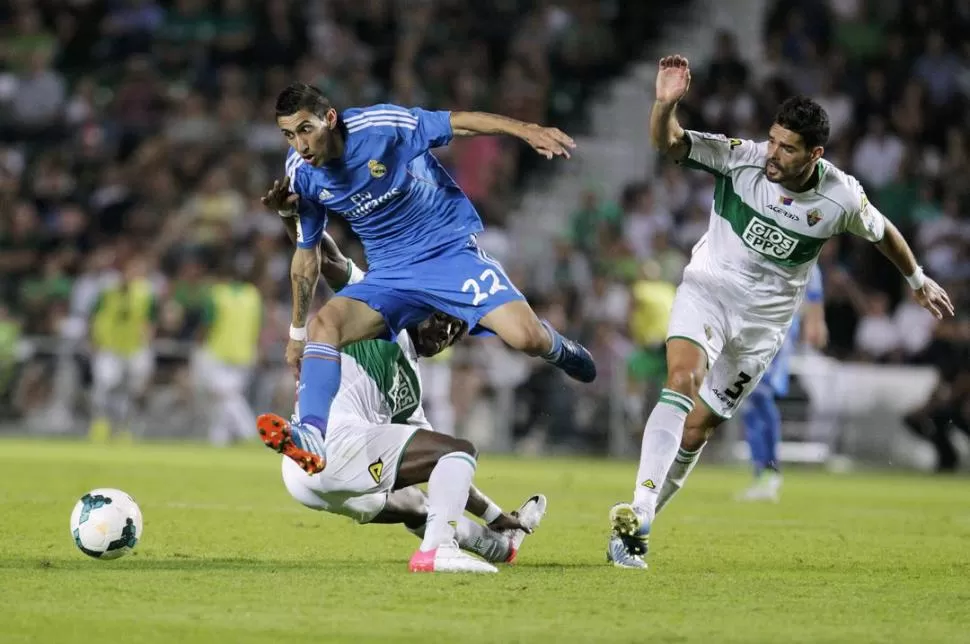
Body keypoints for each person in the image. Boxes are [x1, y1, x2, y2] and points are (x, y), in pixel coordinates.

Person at [607, 55, 954, 570]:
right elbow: (669, 142)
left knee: (699, 428)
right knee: (680, 380)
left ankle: (642, 520)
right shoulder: (740, 158)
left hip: (763, 325)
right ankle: (638, 513)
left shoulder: (841, 197)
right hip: (708, 291)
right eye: (772, 139)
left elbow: (885, 235)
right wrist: (664, 106)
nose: (773, 153)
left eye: (787, 148)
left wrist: (917, 280)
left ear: (814, 154)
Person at [259, 83, 596, 473]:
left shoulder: (381, 127)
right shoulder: (301, 174)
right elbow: (307, 257)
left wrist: (527, 131)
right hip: (389, 273)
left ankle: (559, 347)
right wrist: (297, 335)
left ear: (330, 119)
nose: (299, 145)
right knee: (325, 324)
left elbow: (458, 124)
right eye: (288, 135)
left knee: (526, 338)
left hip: (447, 254)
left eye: (305, 129)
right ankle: (312, 435)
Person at [259, 237, 547, 574]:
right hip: (340, 447)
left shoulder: (410, 383)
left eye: (455, 331)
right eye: (441, 320)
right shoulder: (378, 309)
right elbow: (330, 258)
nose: (446, 334)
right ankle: (435, 551)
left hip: (315, 480)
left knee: (424, 503)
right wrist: (299, 218)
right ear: (421, 306)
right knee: (459, 452)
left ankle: (502, 545)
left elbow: (441, 470)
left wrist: (495, 515)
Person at [737, 264, 826, 502]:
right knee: (749, 400)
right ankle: (763, 472)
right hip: (755, 327)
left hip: (781, 329)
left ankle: (770, 471)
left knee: (760, 393)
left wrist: (815, 322)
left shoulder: (805, 255)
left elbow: (814, 296)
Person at [191, 259, 263, 445]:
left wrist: (198, 344)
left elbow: (207, 324)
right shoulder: (253, 295)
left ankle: (249, 433)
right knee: (224, 398)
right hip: (245, 354)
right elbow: (258, 326)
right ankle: (218, 439)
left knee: (226, 396)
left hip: (218, 352)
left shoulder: (216, 295)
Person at [88, 257, 157, 442]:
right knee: (105, 384)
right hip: (110, 346)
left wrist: (148, 339)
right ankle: (101, 424)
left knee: (133, 390)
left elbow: (150, 319)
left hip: (135, 347)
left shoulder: (144, 293)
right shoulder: (108, 291)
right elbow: (95, 315)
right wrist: (94, 339)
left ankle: (124, 428)